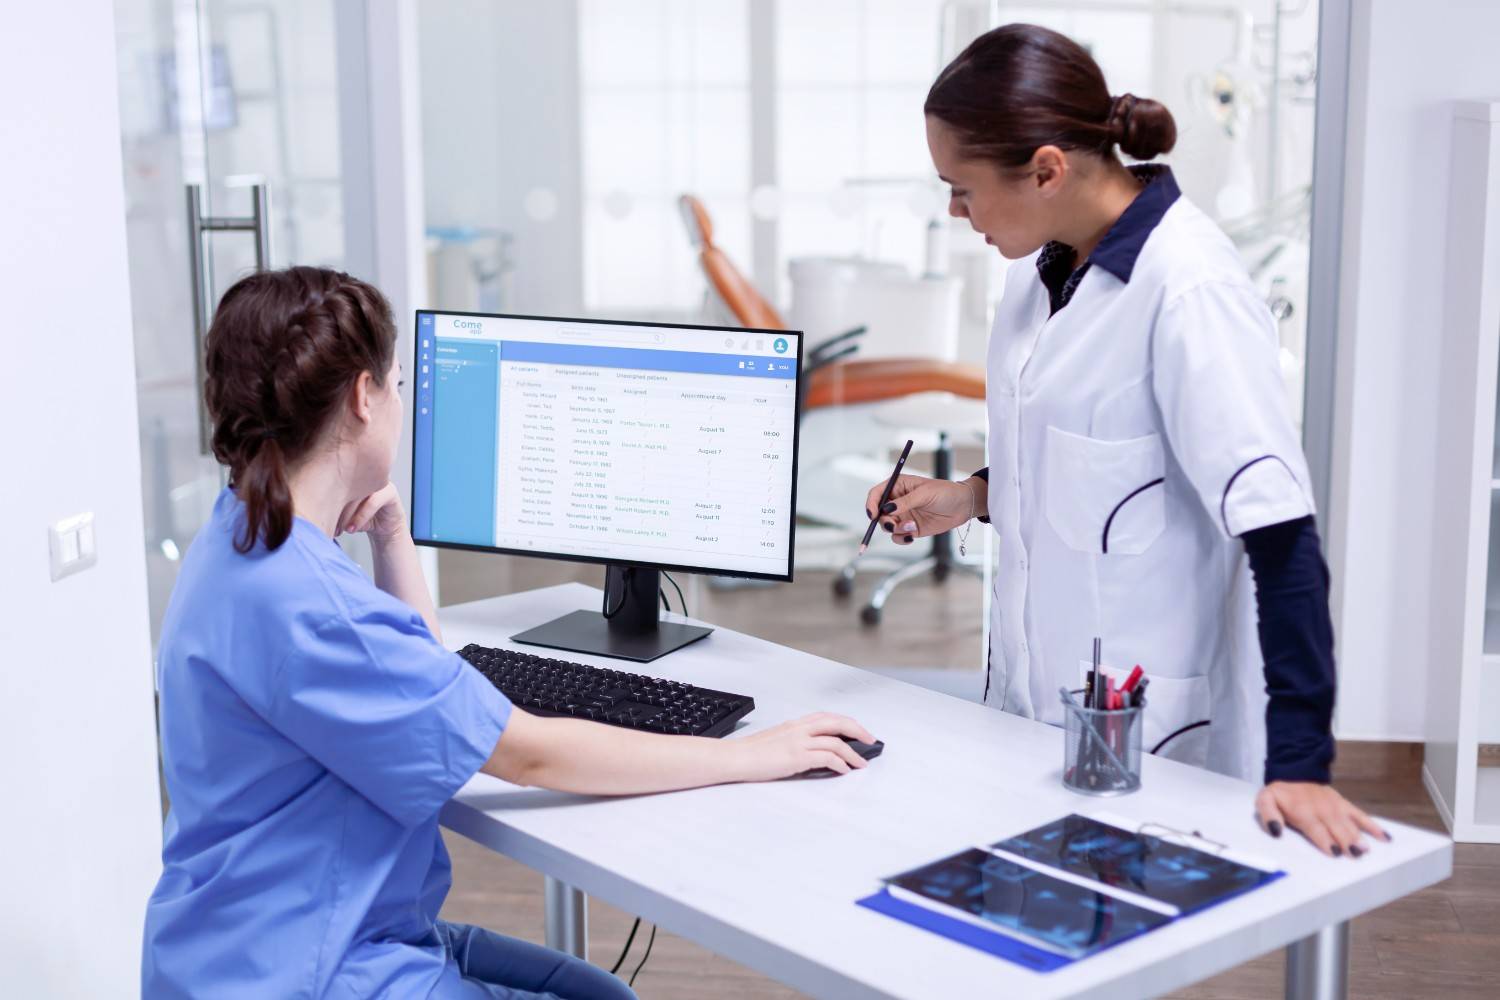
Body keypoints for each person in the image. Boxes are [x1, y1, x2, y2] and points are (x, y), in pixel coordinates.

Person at [142, 266, 874, 999]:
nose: (400, 402)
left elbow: (415, 677)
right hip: (314, 968)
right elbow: (529, 757)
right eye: (397, 386)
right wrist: (752, 755)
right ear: (363, 398)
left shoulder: (236, 535)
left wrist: (391, 536)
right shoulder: (320, 610)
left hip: (231, 945)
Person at [866, 24, 1386, 858]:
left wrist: (1302, 762)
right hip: (1022, 713)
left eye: (960, 188)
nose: (955, 212)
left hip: (1147, 734)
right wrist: (966, 499)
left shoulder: (1190, 293)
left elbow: (1282, 538)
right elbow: (1100, 467)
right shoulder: (1034, 276)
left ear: (1046, 169)